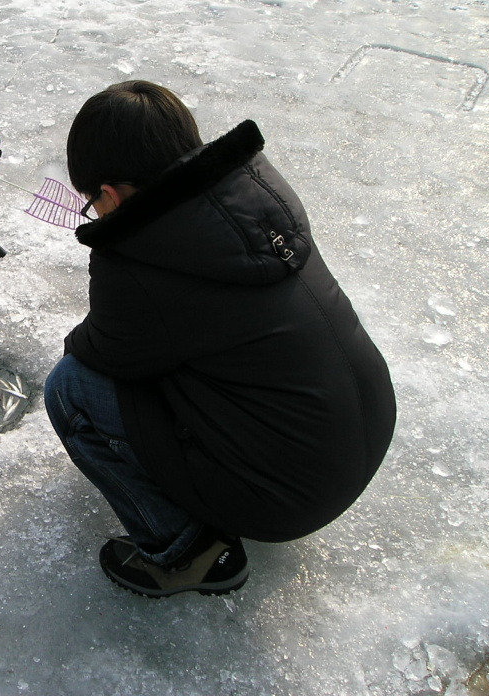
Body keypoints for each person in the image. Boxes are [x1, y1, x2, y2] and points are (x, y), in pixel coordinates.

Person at [44, 81, 396, 598]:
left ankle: (185, 554)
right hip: (361, 431)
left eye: (90, 202)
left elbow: (97, 353)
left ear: (112, 195)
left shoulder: (139, 263)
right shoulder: (256, 193)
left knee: (70, 390)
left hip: (289, 495)